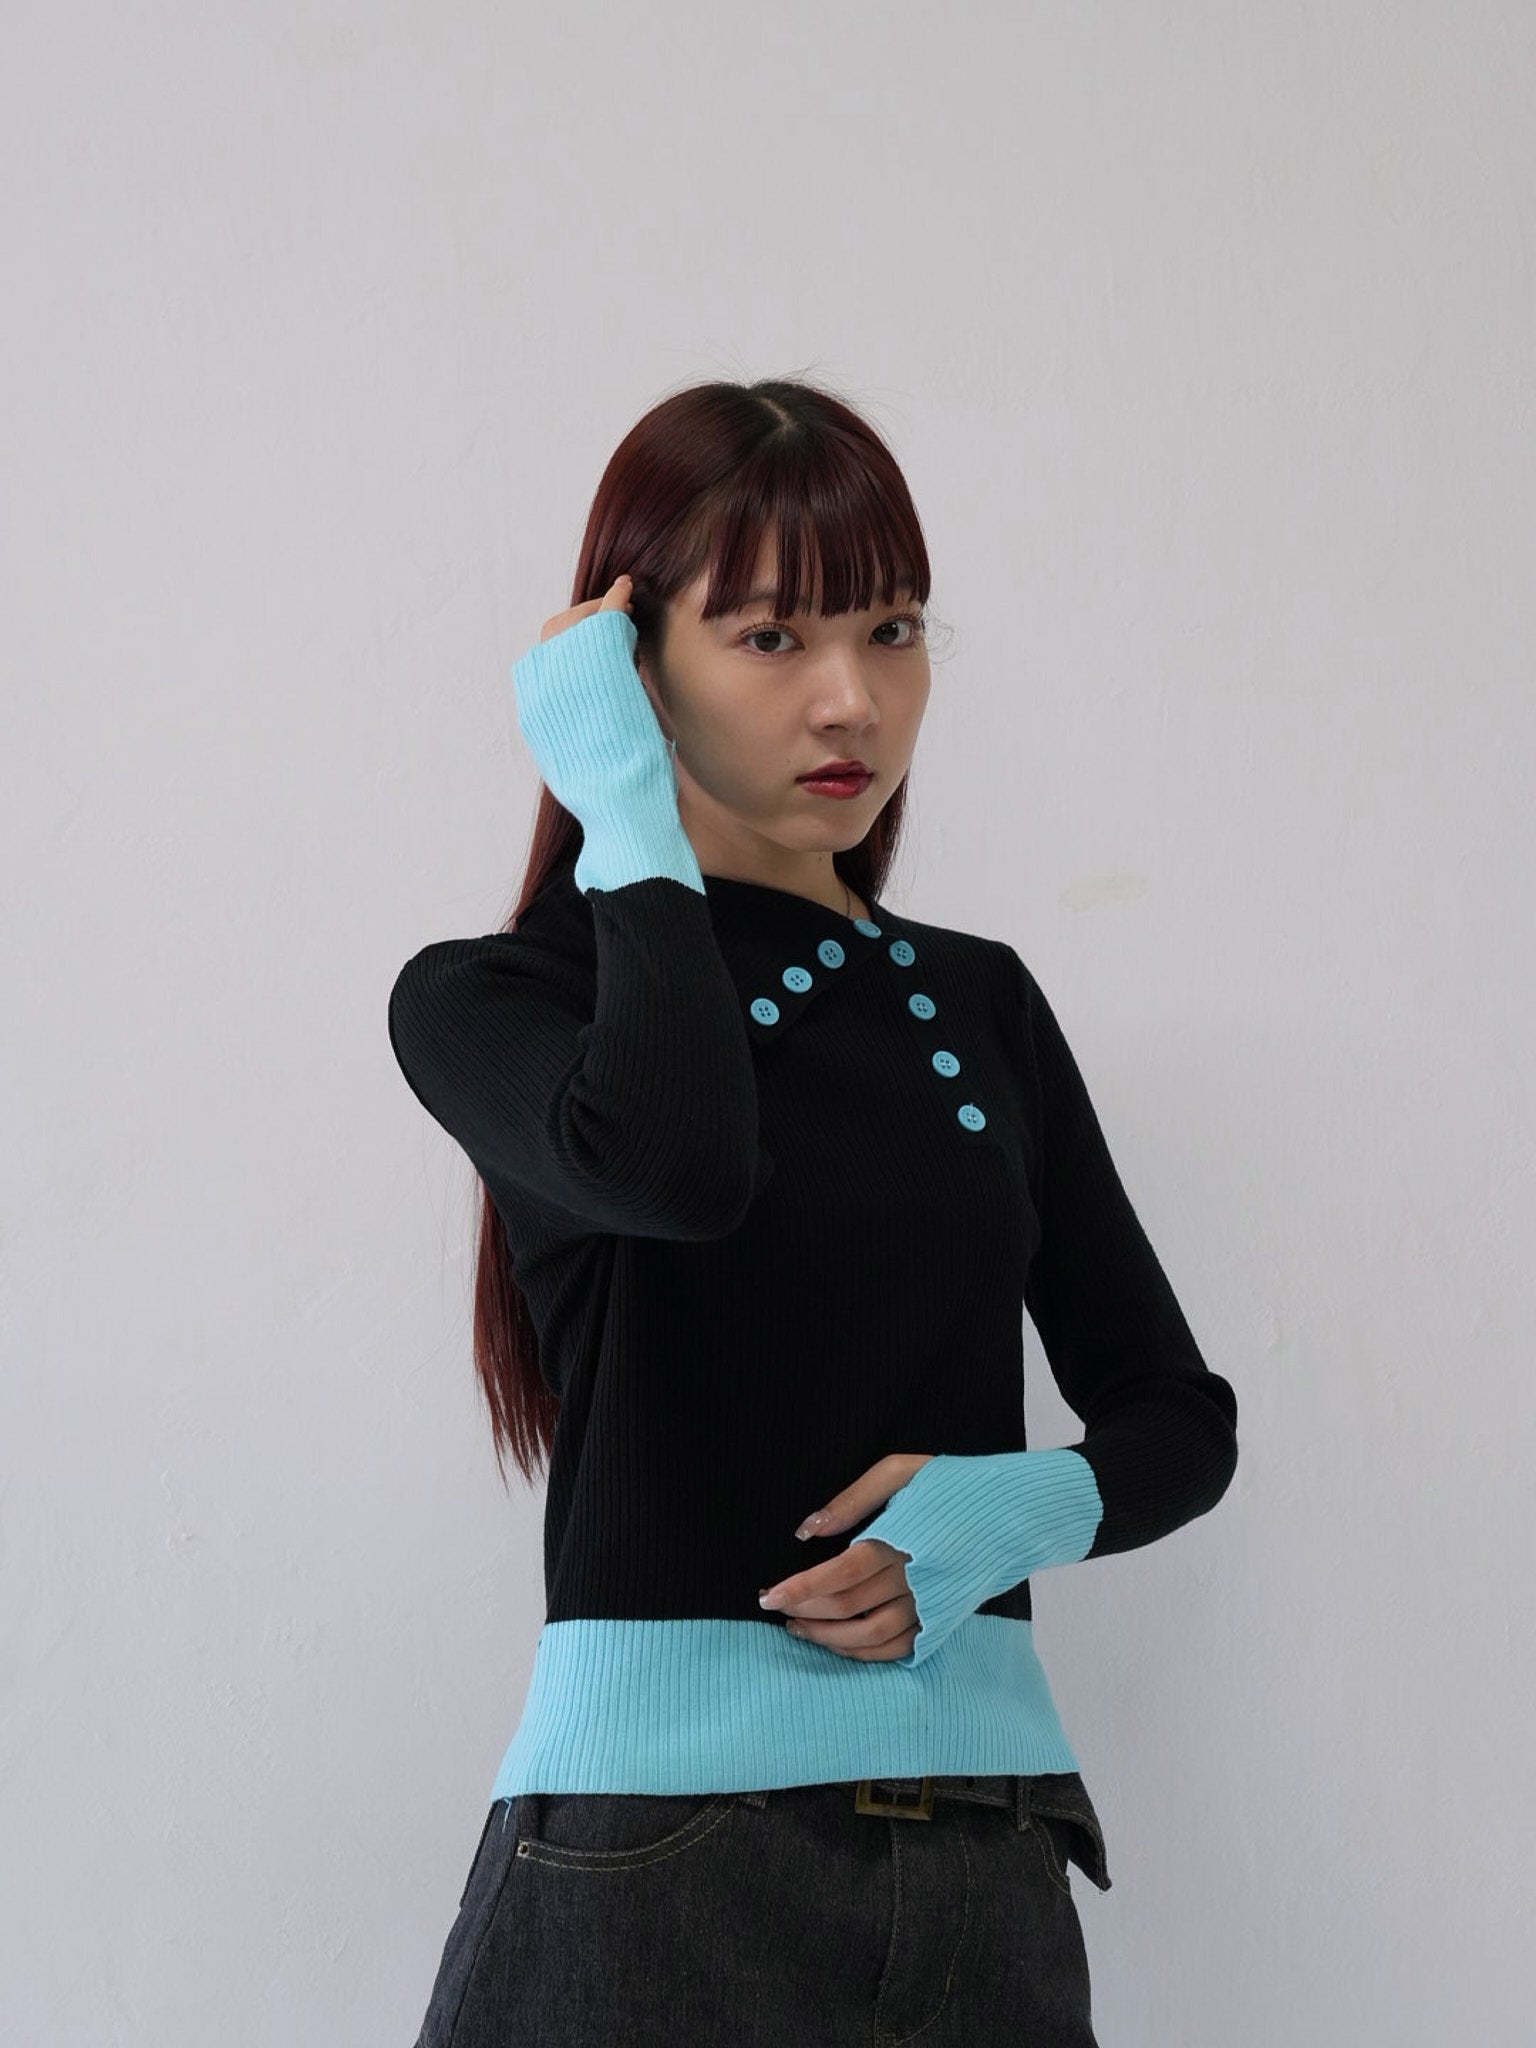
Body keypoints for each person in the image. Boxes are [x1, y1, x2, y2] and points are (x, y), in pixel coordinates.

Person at [388, 377, 1239, 2046]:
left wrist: (1012, 1512)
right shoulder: (496, 998)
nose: (853, 699)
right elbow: (675, 1168)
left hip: (991, 1858)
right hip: (658, 1865)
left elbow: (1177, 1420)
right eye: (771, 638)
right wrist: (627, 817)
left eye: (892, 630)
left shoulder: (979, 1000)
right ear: (631, 667)